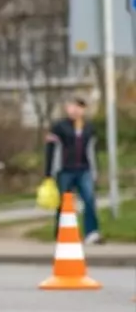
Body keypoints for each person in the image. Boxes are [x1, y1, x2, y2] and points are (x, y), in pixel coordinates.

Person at [45, 97, 103, 244]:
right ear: (67, 108)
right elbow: (51, 150)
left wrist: (95, 171)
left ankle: (92, 232)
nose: (76, 110)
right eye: (73, 106)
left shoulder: (88, 128)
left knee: (89, 200)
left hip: (84, 169)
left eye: (80, 107)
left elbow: (92, 151)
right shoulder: (59, 127)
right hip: (65, 170)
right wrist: (48, 173)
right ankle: (62, 232)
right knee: (65, 202)